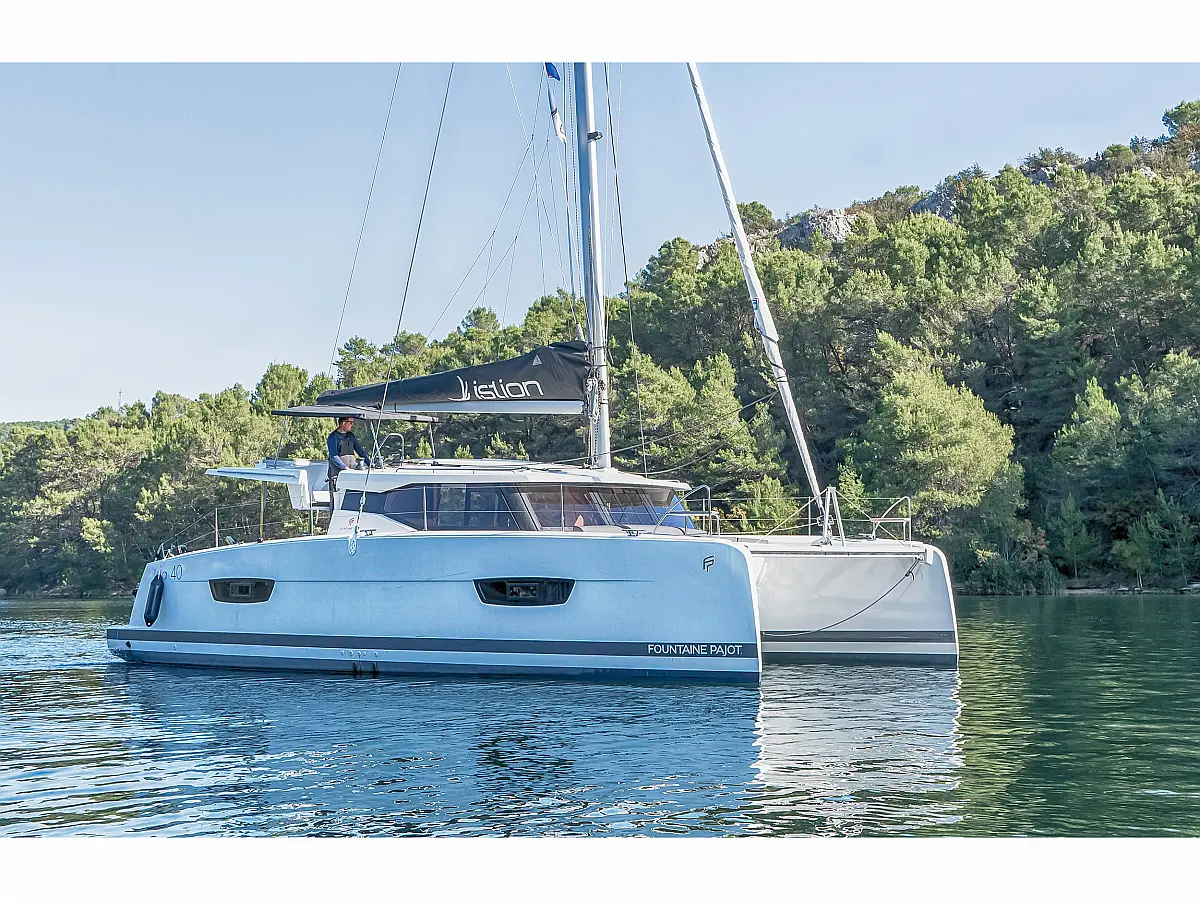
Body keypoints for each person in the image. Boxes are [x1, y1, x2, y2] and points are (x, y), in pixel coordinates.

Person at [327, 416, 369, 489]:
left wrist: (369, 464)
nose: (352, 425)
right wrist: (345, 468)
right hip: (338, 475)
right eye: (351, 423)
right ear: (343, 423)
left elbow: (360, 451)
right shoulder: (333, 437)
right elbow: (333, 456)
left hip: (351, 473)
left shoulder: (351, 436)